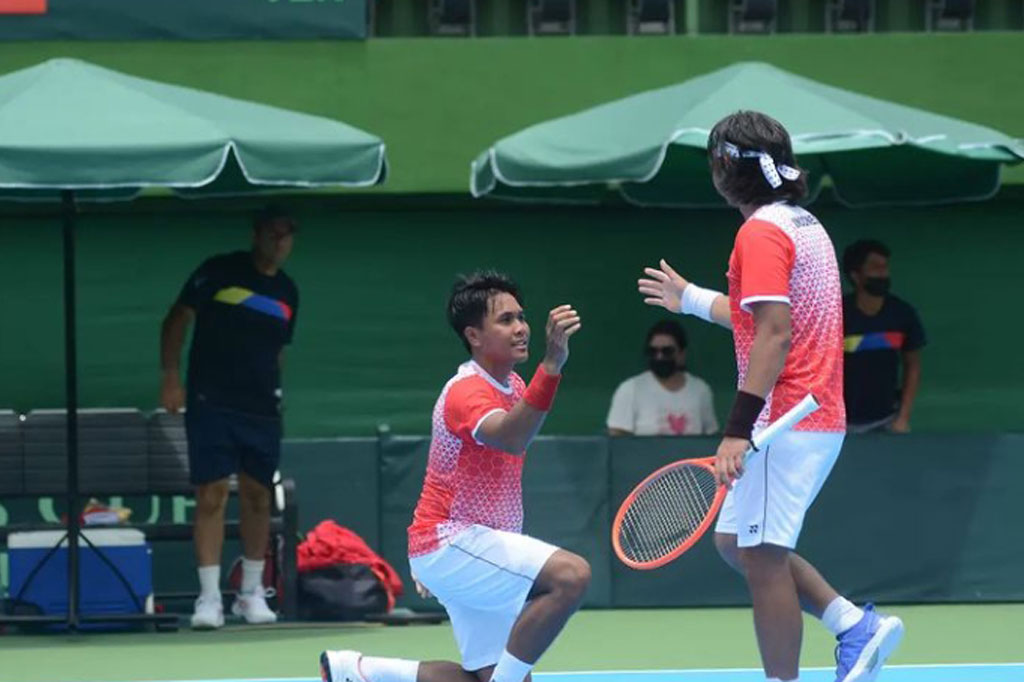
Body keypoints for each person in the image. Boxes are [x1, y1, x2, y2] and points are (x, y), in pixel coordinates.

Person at [637, 111, 903, 682]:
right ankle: (852, 624)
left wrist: (738, 428)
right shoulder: (802, 223)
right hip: (814, 416)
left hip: (783, 422)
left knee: (761, 558)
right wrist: (688, 299)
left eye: (714, 159)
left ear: (727, 167)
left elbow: (776, 334)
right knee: (737, 542)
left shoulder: (759, 232)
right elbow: (762, 320)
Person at [320, 271, 589, 682]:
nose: (520, 328)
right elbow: (512, 439)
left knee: (486, 675)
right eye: (505, 320)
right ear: (474, 335)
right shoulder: (465, 391)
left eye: (521, 316)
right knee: (571, 577)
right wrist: (552, 364)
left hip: (472, 550)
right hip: (453, 541)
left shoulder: (514, 384)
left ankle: (356, 670)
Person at [159, 204, 299, 629]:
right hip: (210, 401)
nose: (280, 242)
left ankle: (251, 594)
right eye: (273, 232)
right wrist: (171, 377)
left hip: (261, 408)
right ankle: (208, 600)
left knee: (258, 496)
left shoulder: (289, 292)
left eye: (287, 234)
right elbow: (176, 320)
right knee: (212, 494)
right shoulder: (218, 271)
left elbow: (278, 352)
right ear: (257, 234)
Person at [841, 240, 926, 433]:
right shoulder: (836, 314)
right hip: (840, 424)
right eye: (875, 268)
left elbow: (912, 366)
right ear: (856, 275)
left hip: (887, 420)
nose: (883, 273)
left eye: (885, 267)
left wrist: (903, 417)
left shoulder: (903, 314)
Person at [607, 319, 718, 436]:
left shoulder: (700, 390)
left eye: (667, 351)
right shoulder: (630, 389)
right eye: (653, 351)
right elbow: (616, 440)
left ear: (682, 354)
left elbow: (710, 436)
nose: (659, 357)